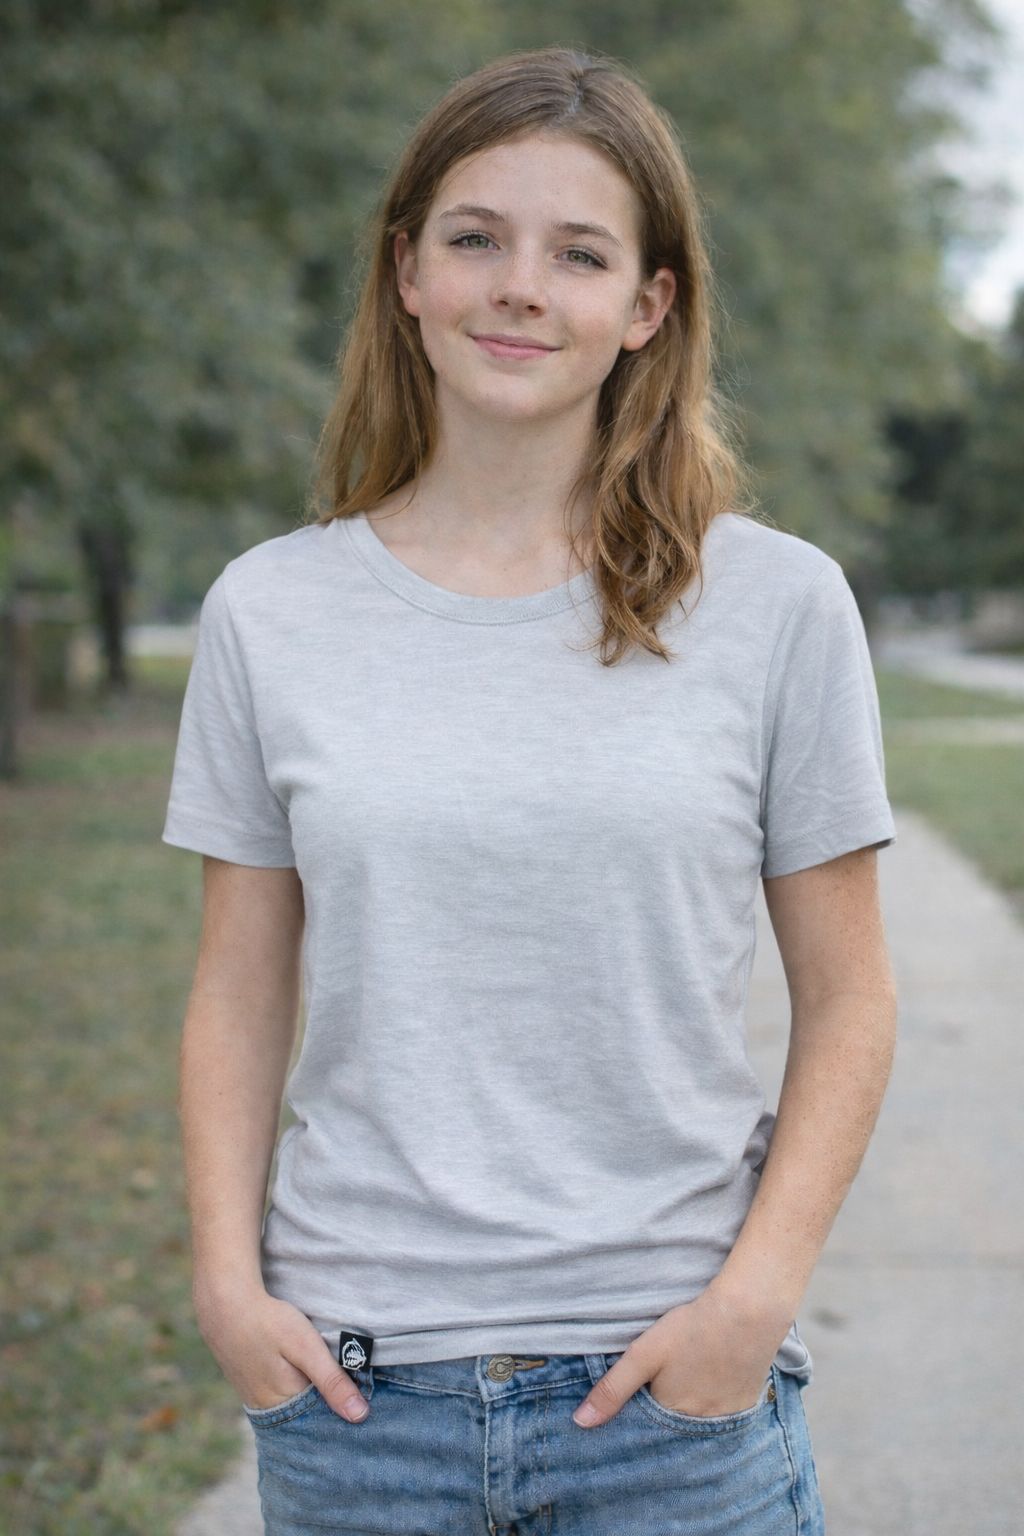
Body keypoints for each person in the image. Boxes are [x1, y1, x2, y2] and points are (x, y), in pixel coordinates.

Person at [162, 43, 898, 1536]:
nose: (518, 286)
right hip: (359, 1401)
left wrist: (752, 1303)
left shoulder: (775, 606)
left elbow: (854, 996)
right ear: (408, 274)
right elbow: (239, 987)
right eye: (475, 238)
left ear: (645, 308)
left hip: (670, 1401)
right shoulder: (271, 610)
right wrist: (230, 1290)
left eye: (579, 254)